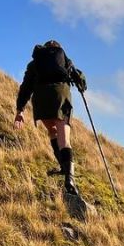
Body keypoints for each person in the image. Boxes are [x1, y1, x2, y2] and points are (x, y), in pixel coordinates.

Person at [14, 40, 87, 195]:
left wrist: (20, 110)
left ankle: (62, 165)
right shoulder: (65, 60)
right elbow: (80, 79)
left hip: (41, 100)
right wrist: (81, 84)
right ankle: (70, 179)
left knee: (52, 131)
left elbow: (26, 87)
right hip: (61, 97)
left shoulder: (34, 64)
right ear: (58, 50)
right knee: (65, 140)